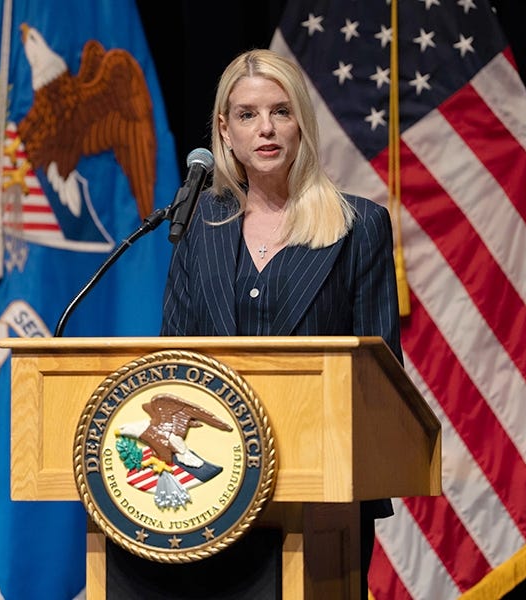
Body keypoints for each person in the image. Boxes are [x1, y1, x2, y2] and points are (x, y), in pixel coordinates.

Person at [161, 48, 403, 598]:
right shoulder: (197, 227)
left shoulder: (357, 226)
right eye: (247, 114)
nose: (265, 129)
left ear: (302, 124)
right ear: (225, 130)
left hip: (322, 494)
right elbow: (171, 364)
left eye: (281, 111)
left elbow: (380, 381)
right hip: (211, 493)